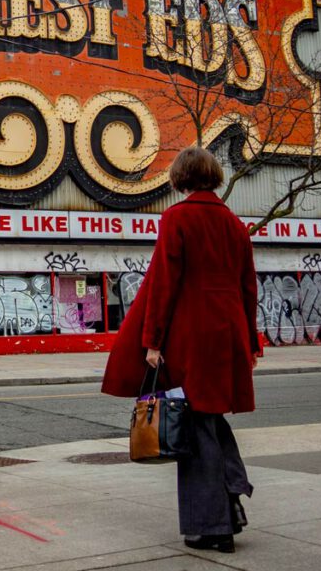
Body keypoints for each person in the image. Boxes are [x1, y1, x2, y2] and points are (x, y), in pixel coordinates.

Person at [101, 146, 261, 554]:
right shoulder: (235, 225)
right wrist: (252, 341)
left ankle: (214, 525)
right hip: (228, 334)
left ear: (180, 178)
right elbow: (248, 288)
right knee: (209, 419)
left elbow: (163, 283)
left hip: (191, 335)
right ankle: (228, 505)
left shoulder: (177, 217)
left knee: (195, 428)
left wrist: (152, 341)